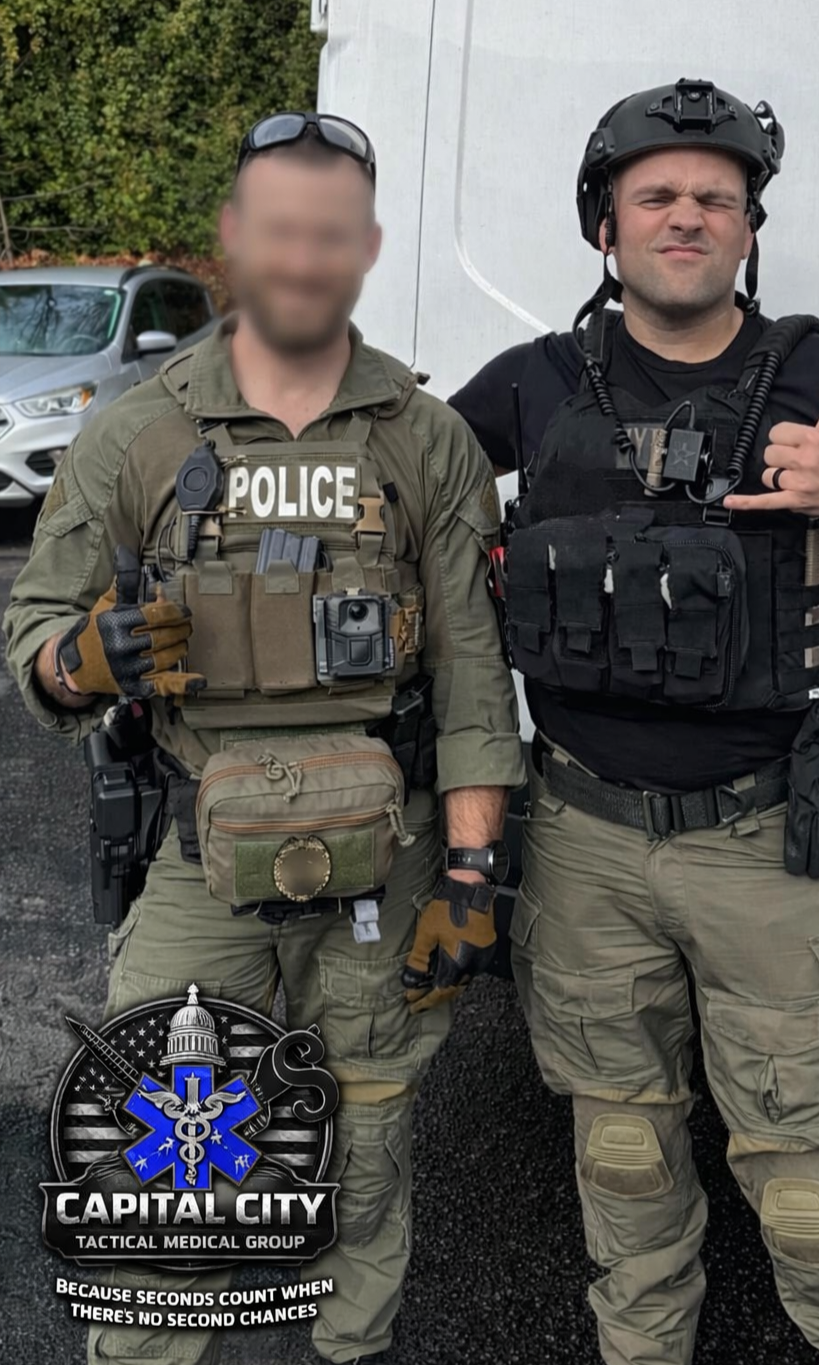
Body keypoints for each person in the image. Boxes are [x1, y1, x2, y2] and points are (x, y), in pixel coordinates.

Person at [448, 78, 819, 1365]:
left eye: (715, 199)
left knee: (814, 1197)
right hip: (580, 840)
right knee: (621, 1159)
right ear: (605, 225)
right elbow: (399, 519)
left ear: (748, 228)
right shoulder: (529, 386)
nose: (685, 216)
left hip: (764, 848)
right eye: (656, 197)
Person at [4, 111, 524, 1365]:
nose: (303, 258)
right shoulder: (138, 432)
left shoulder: (424, 437)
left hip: (388, 861)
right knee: (169, 1168)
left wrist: (470, 878)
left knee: (367, 1144)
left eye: (330, 233)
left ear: (366, 247)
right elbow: (34, 629)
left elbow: (471, 677)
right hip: (199, 869)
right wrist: (84, 659)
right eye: (280, 229)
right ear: (235, 238)